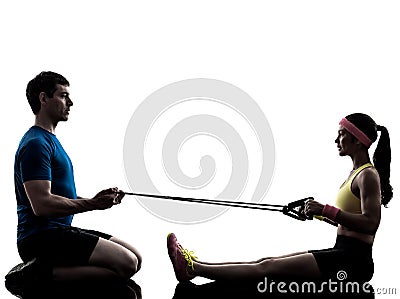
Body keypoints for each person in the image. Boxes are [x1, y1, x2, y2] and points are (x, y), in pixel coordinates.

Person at [167, 113, 392, 284]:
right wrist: (318, 215)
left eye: (342, 134)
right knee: (264, 262)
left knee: (266, 267)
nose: (336, 139)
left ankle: (193, 268)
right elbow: (350, 221)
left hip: (354, 260)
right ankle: (195, 266)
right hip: (343, 251)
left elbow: (371, 223)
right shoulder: (355, 174)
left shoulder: (368, 175)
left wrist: (325, 210)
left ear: (359, 140)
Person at [11, 71, 142, 285]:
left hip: (59, 231)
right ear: (43, 99)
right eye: (63, 96)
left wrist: (97, 199)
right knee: (125, 264)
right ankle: (38, 276)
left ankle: (55, 273)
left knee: (136, 258)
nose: (70, 102)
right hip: (39, 238)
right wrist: (93, 204)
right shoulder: (35, 144)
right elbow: (42, 205)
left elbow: (60, 196)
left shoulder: (49, 141)